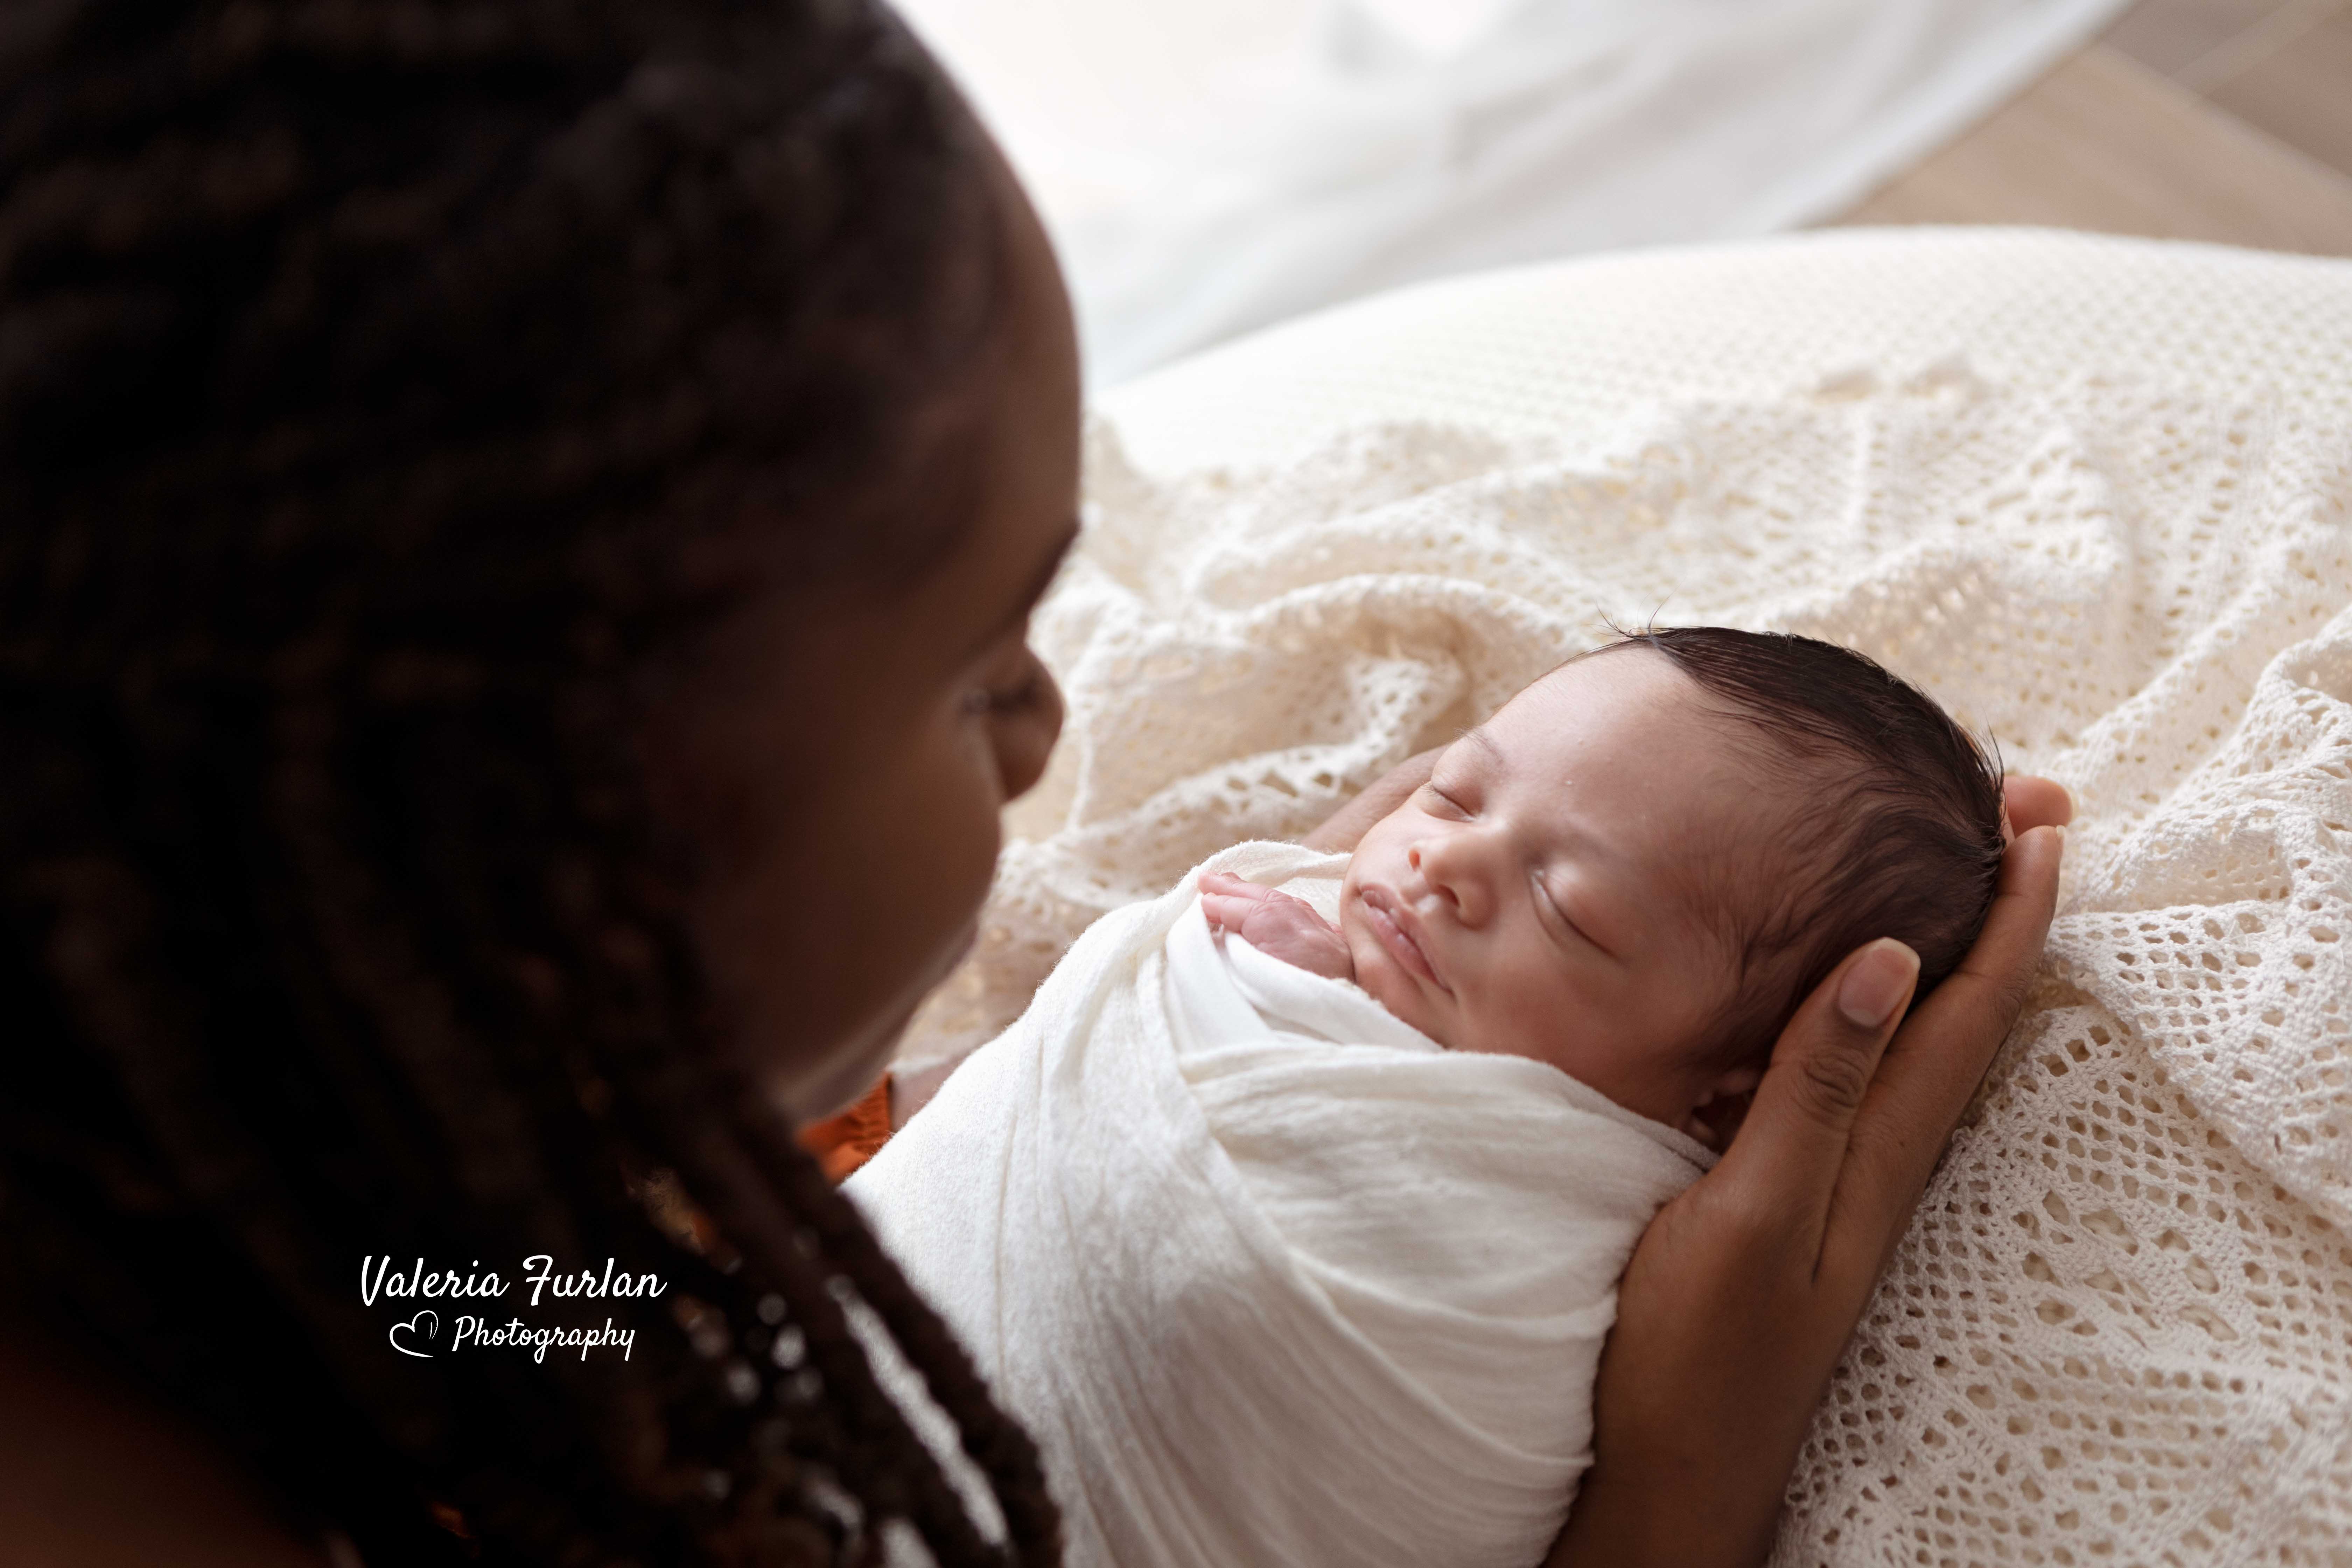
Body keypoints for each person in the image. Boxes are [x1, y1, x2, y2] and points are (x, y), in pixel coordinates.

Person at [0, 4, 2066, 1568]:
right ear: (545, 829)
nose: (1049, 738)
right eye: (982, 669)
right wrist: (1678, 1505)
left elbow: (451, 1318)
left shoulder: (285, 1256)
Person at [842, 626, 2015, 1567]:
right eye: (1455, 796)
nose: (1442, 863)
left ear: (1714, 1110)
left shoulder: (1594, 1222)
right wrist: (1248, 988)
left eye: (1570, 912)